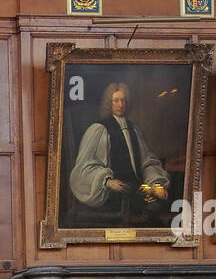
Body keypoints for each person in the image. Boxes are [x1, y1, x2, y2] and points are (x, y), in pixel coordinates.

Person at [68, 82, 170, 224]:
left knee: (158, 212)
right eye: (116, 100)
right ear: (109, 103)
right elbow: (83, 167)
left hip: (137, 190)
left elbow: (146, 161)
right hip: (114, 195)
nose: (120, 104)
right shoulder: (98, 129)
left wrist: (155, 183)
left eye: (123, 100)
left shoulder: (134, 129)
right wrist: (107, 181)